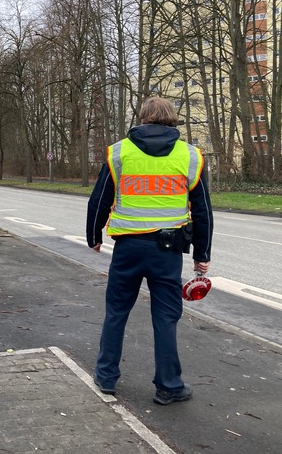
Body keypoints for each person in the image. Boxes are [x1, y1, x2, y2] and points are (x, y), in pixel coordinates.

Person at [86, 97, 213, 405]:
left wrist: (94, 234)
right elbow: (203, 211)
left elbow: (100, 198)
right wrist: (202, 254)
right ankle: (169, 385)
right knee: (166, 317)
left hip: (128, 249)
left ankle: (106, 378)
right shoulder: (191, 156)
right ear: (173, 120)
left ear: (141, 119)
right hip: (166, 252)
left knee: (116, 312)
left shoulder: (120, 152)